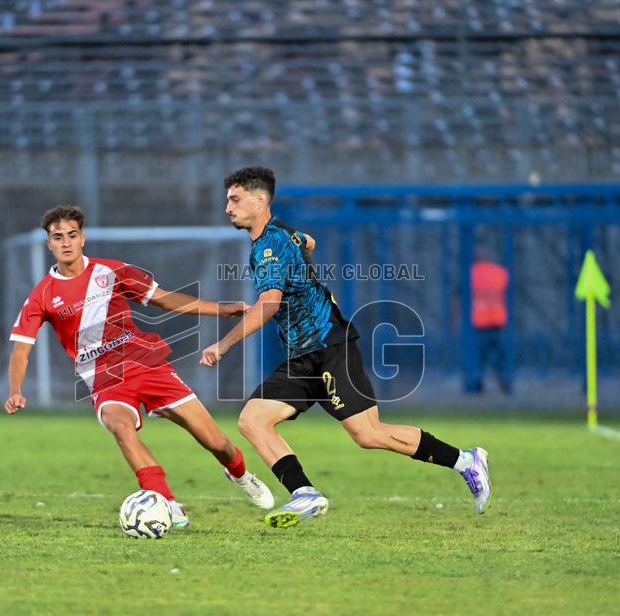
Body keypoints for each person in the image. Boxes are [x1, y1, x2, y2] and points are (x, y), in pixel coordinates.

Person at [201, 166, 492, 528]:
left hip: (330, 346)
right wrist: (299, 245)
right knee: (252, 420)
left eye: (235, 199)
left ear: (260, 200)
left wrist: (224, 344)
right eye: (228, 199)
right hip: (301, 355)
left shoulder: (270, 247)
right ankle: (304, 493)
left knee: (369, 435)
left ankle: (466, 461)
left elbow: (269, 304)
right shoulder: (279, 234)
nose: (228, 207)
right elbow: (310, 243)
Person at [6, 205, 274, 528]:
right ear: (49, 244)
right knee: (121, 428)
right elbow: (21, 349)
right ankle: (167, 504)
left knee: (215, 440)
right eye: (57, 237)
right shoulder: (42, 296)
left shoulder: (111, 272)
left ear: (83, 239)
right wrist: (16, 390)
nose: (65, 242)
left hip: (147, 365)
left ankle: (240, 474)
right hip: (104, 379)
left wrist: (222, 310)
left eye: (72, 235)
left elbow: (165, 299)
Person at [468, 248, 511, 394]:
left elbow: (459, 296)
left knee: (478, 358)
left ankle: (476, 385)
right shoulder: (500, 272)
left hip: (479, 322)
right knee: (501, 358)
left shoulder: (471, 273)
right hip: (498, 321)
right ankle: (505, 384)